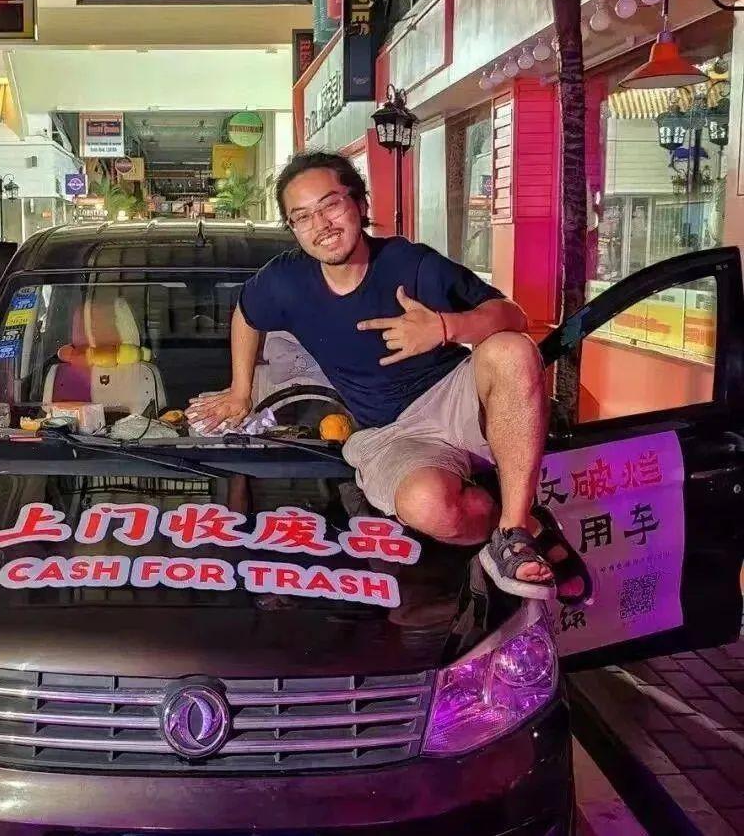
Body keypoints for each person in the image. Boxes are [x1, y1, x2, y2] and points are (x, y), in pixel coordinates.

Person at [187, 150, 565, 600]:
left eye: (330, 204)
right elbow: (247, 314)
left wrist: (446, 327)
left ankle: (515, 534)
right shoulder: (285, 280)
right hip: (390, 432)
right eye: (302, 216)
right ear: (293, 228)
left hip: (455, 397)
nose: (321, 224)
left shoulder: (411, 265)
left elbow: (512, 315)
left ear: (360, 203)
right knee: (428, 505)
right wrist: (240, 391)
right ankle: (518, 519)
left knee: (511, 350)